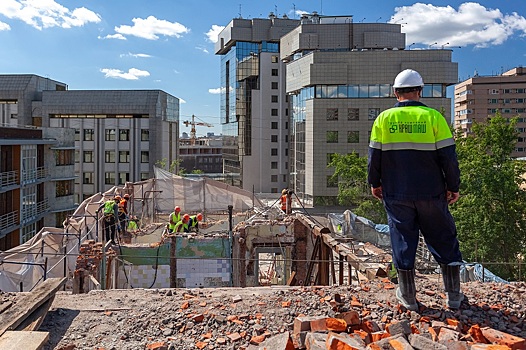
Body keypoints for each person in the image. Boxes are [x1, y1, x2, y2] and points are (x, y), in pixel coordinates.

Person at [367, 69, 463, 311]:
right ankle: (453, 296)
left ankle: (408, 297)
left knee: (403, 239)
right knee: (443, 238)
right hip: (432, 192)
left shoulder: (383, 119)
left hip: (397, 192)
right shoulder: (433, 117)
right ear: (420, 91)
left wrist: (375, 183)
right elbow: (449, 158)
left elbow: (374, 157)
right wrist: (453, 186)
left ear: (395, 93)